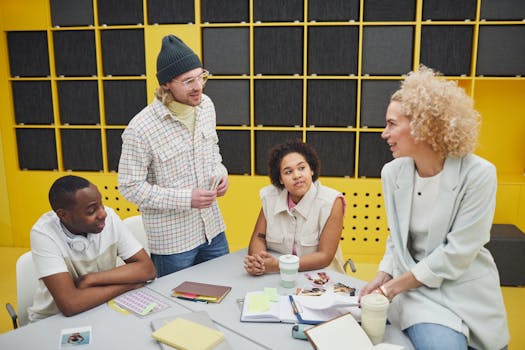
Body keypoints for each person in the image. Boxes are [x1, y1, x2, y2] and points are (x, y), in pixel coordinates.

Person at [359, 66, 509, 350]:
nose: (383, 133)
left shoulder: (478, 174)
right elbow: (398, 241)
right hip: (417, 295)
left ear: (422, 125)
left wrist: (390, 288)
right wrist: (382, 276)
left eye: (391, 124)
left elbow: (458, 253)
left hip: (465, 291)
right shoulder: (392, 173)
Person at [118, 34, 229, 277]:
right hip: (173, 243)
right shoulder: (140, 128)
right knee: (176, 308)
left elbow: (213, 152)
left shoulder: (206, 106)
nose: (198, 86)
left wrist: (221, 173)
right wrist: (185, 198)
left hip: (212, 228)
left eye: (201, 77)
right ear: (166, 83)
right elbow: (129, 187)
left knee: (225, 289)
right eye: (188, 81)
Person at [28, 175, 156, 321]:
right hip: (53, 319)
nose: (103, 213)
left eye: (101, 204)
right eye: (91, 211)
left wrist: (91, 279)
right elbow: (71, 304)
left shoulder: (110, 218)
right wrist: (127, 285)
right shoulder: (44, 233)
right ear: (63, 215)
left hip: (99, 307)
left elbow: (147, 269)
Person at [244, 140, 346, 276]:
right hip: (276, 276)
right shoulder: (270, 197)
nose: (297, 175)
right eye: (288, 172)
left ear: (312, 170)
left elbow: (325, 256)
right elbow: (259, 238)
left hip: (320, 276)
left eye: (302, 168)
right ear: (280, 179)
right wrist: (259, 262)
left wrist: (279, 266)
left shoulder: (332, 201)